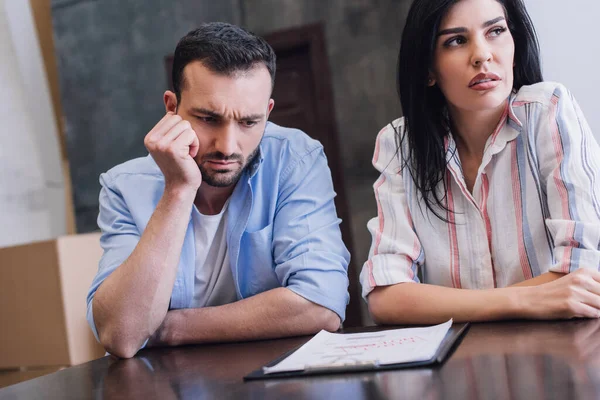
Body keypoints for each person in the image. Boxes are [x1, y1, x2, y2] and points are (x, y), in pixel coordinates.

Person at [87, 22, 350, 358]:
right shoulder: (124, 187)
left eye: (248, 122)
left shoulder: (294, 159)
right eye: (208, 119)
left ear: (267, 113)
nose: (227, 146)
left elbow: (321, 305)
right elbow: (123, 335)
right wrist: (178, 191)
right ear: (171, 107)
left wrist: (168, 327)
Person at [361, 0, 600, 324]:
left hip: (564, 354)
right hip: (460, 366)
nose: (482, 55)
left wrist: (446, 304)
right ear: (429, 69)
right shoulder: (399, 146)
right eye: (456, 41)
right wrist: (522, 299)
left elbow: (581, 276)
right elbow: (387, 296)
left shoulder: (549, 111)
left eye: (496, 31)